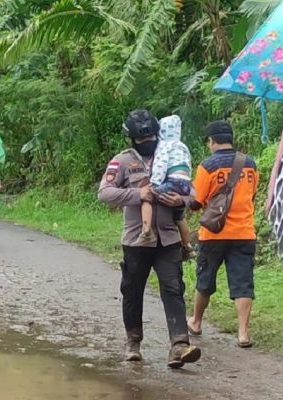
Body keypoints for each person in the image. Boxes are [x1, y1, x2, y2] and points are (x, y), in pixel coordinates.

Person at [97, 109, 200, 369]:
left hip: (168, 239)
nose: (147, 143)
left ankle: (179, 345)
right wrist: (138, 194)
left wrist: (182, 200)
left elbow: (194, 193)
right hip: (136, 239)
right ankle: (133, 343)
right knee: (132, 291)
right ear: (131, 139)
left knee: (173, 288)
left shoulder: (172, 152)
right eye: (141, 140)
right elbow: (105, 193)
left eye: (151, 137)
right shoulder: (121, 162)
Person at [187, 121, 259, 348]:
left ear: (211, 141)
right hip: (244, 232)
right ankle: (243, 333)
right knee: (243, 282)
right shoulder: (250, 163)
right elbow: (252, 195)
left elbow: (196, 203)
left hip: (213, 234)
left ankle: (196, 322)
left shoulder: (207, 166)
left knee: (205, 279)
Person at [135, 115, 195, 259]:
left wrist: (154, 183)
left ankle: (146, 230)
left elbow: (161, 165)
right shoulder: (182, 145)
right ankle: (188, 246)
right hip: (185, 182)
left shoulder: (164, 146)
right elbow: (188, 165)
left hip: (172, 181)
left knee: (147, 197)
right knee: (179, 215)